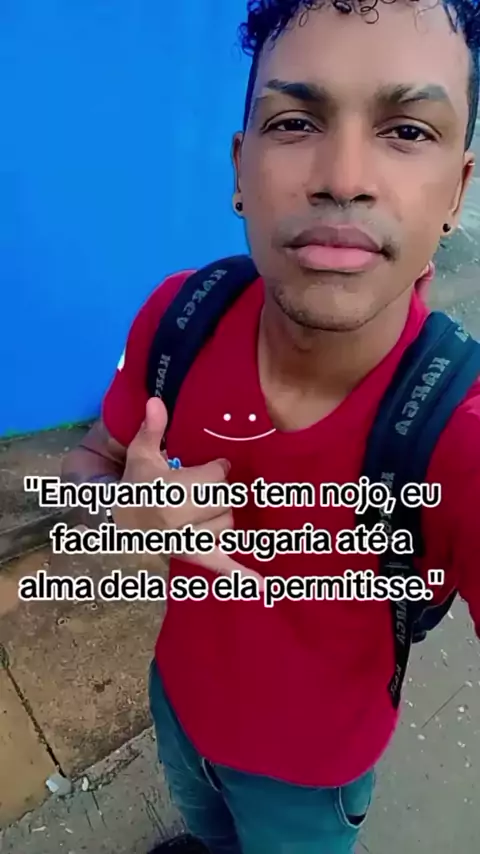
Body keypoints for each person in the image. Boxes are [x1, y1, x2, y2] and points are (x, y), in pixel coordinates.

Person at [63, 0, 480, 851]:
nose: (343, 178)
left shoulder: (457, 432)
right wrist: (117, 508)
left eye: (407, 131)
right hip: (179, 704)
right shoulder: (180, 315)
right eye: (295, 122)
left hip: (310, 777)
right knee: (204, 829)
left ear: (458, 192)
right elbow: (91, 460)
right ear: (239, 167)